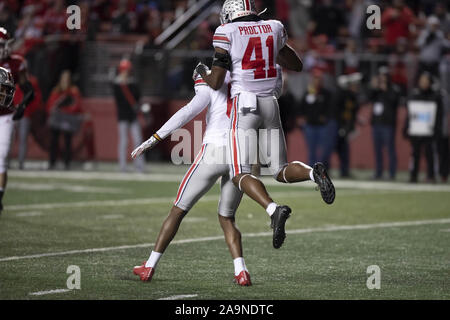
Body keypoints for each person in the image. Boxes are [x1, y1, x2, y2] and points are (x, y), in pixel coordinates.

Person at [194, 0, 335, 250]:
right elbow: (297, 65)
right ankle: (314, 173)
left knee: (239, 172)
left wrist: (203, 73)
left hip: (245, 105)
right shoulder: (274, 26)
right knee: (280, 170)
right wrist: (273, 46)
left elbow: (216, 82)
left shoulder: (226, 32)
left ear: (230, 14)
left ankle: (273, 210)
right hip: (271, 103)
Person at [131, 68, 248, 285]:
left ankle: (149, 266)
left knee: (178, 210)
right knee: (227, 217)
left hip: (213, 152)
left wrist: (154, 138)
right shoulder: (243, 80)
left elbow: (187, 112)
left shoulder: (208, 83)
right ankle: (241, 271)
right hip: (240, 153)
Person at [0, 27, 34, 215]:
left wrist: (22, 106)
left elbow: (29, 89)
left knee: (2, 156)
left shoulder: (15, 63)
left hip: (5, 114)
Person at [404, 72, 443, 183]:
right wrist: (407, 127)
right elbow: (411, 112)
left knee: (430, 154)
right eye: (422, 81)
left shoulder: (435, 96)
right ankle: (413, 175)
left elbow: (438, 115)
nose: (423, 83)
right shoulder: (415, 94)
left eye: (426, 81)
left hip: (429, 130)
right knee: (414, 154)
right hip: (416, 130)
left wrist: (437, 129)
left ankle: (431, 175)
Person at [111, 58, 145, 173]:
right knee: (123, 142)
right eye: (124, 70)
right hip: (123, 117)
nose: (126, 72)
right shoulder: (116, 85)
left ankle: (139, 167)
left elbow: (138, 97)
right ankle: (123, 167)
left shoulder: (133, 83)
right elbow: (120, 102)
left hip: (133, 116)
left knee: (138, 141)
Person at [46, 70, 82, 170]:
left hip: (68, 118)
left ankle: (67, 163)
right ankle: (52, 162)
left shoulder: (74, 91)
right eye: (63, 79)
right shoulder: (56, 90)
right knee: (54, 141)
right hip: (57, 118)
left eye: (67, 79)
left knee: (67, 141)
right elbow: (50, 105)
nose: (65, 81)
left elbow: (77, 105)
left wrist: (65, 110)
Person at [369, 67, 400, 180]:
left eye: (384, 76)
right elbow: (368, 98)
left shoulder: (393, 89)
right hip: (377, 123)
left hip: (387, 124)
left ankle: (392, 173)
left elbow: (394, 101)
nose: (381, 78)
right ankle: (378, 172)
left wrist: (386, 90)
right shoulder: (377, 91)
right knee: (377, 150)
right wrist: (374, 87)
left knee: (390, 149)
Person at [298, 68, 334, 169]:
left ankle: (324, 169)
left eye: (319, 79)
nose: (317, 81)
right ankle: (312, 171)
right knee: (311, 149)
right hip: (310, 125)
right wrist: (302, 117)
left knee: (324, 149)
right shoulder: (308, 93)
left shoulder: (326, 94)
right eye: (315, 79)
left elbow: (330, 108)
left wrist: (326, 117)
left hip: (323, 126)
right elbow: (301, 107)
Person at [335, 73, 362, 178]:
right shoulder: (341, 96)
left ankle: (344, 171)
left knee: (344, 150)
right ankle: (325, 170)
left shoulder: (350, 96)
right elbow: (341, 111)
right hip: (338, 125)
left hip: (344, 125)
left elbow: (353, 110)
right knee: (334, 149)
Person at [15, 73, 43, 170]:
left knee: (23, 139)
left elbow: (36, 98)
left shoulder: (32, 81)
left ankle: (21, 163)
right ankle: (5, 163)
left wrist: (29, 110)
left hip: (25, 114)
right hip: (11, 113)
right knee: (7, 139)